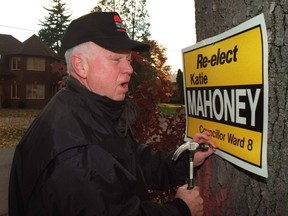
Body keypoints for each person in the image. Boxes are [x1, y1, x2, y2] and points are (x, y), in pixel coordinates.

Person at [8, 12, 216, 216]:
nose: (129, 69)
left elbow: (133, 162)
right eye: (116, 60)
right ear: (81, 66)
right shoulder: (77, 150)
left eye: (128, 59)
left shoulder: (91, 113)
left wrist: (185, 160)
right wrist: (181, 209)